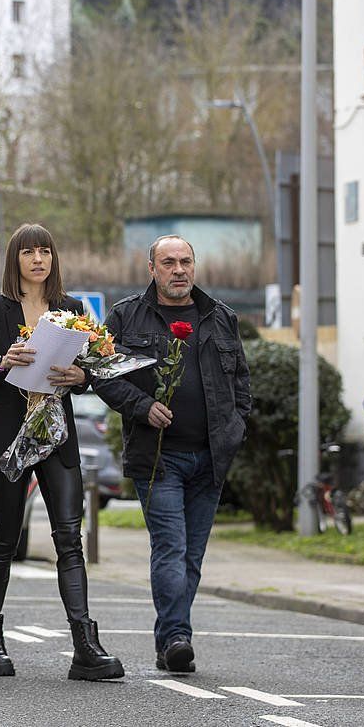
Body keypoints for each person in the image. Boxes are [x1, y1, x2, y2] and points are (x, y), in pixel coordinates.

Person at [0, 224, 123, 681]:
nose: (38, 259)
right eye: (28, 252)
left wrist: (82, 379)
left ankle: (85, 644)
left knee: (68, 537)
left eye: (45, 251)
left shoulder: (71, 309)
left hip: (56, 433)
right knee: (5, 538)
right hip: (10, 435)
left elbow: (90, 370)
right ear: (14, 259)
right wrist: (4, 363)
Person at [94, 235, 250, 674]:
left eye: (186, 261)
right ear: (152, 269)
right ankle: (178, 636)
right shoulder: (127, 316)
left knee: (192, 556)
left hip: (211, 458)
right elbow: (102, 376)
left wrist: (234, 429)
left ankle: (170, 639)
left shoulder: (221, 317)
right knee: (170, 547)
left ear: (194, 266)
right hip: (158, 457)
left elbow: (241, 383)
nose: (178, 270)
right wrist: (142, 407)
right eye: (169, 262)